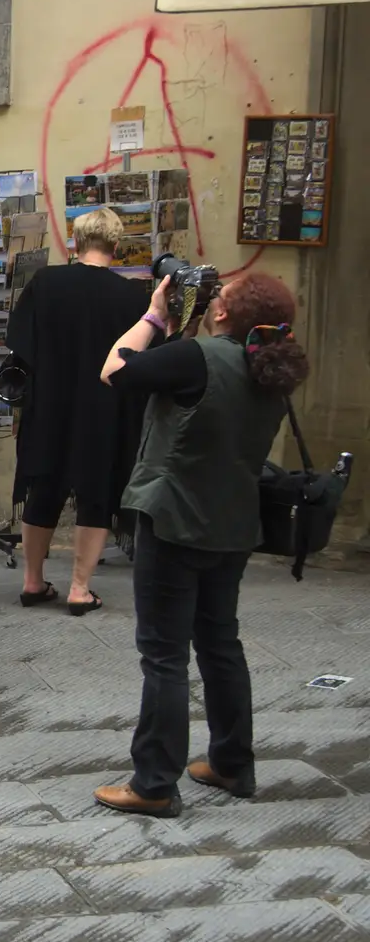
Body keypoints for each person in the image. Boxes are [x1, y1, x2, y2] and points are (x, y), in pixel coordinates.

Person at [93, 272, 309, 817]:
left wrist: (154, 315)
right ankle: (232, 762)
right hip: (232, 525)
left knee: (164, 654)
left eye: (219, 297)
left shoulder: (198, 357)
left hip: (174, 519)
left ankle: (154, 783)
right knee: (219, 643)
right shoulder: (271, 370)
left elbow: (115, 370)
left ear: (220, 315)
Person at [8, 208, 147, 615]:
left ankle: (33, 582)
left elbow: (21, 343)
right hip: (103, 411)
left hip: (49, 404)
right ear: (117, 247)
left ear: (75, 242)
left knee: (43, 489)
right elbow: (139, 360)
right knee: (96, 495)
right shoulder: (131, 297)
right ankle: (80, 589)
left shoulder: (46, 283)